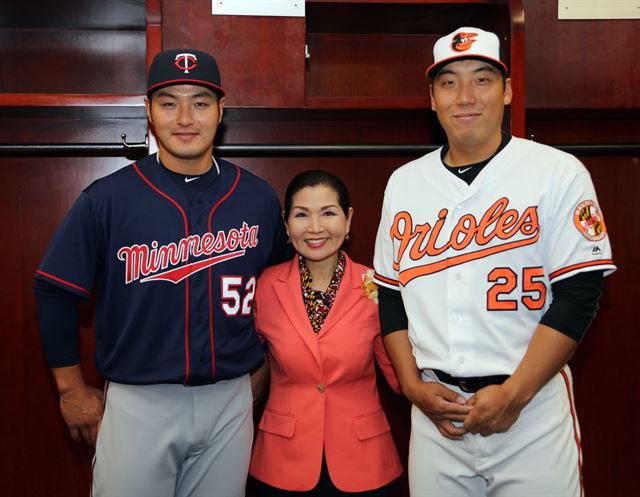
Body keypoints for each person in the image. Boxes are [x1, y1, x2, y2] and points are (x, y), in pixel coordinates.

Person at [33, 48, 290, 497]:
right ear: (149, 111)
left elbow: (280, 292)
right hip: (139, 398)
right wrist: (71, 389)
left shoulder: (257, 198)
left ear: (221, 111)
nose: (185, 117)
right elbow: (54, 290)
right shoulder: (107, 198)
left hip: (231, 397)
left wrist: (265, 368)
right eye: (169, 103)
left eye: (201, 102)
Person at [373, 27, 616, 496]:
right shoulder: (404, 183)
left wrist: (516, 393)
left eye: (482, 79)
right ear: (432, 98)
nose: (465, 96)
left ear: (507, 91)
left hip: (531, 410)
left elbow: (580, 293)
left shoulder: (557, 172)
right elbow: (391, 293)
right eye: (449, 82)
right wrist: (409, 385)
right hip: (435, 412)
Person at [248, 170, 403, 496]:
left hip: (365, 461)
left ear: (347, 221)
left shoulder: (377, 285)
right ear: (286, 224)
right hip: (282, 460)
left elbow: (399, 375)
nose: (315, 228)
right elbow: (244, 364)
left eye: (328, 213)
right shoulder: (264, 287)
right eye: (302, 214)